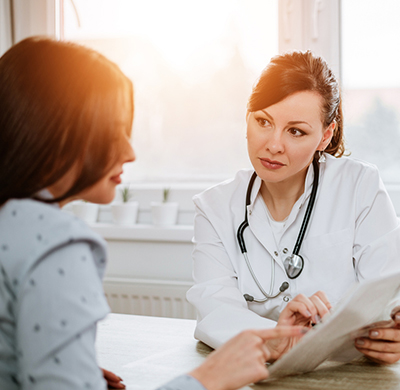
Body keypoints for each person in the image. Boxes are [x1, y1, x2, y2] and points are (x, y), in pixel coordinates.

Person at [0, 37, 306, 390]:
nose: (129, 152)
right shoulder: (56, 244)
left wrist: (71, 371)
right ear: (52, 133)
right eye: (112, 132)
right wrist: (205, 380)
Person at [186, 50, 400, 364]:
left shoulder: (359, 187)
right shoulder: (215, 208)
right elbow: (214, 309)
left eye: (295, 131)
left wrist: (393, 334)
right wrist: (272, 340)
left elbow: (389, 286)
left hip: (347, 373)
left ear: (325, 136)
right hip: (257, 375)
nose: (273, 144)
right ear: (247, 117)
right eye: (263, 121)